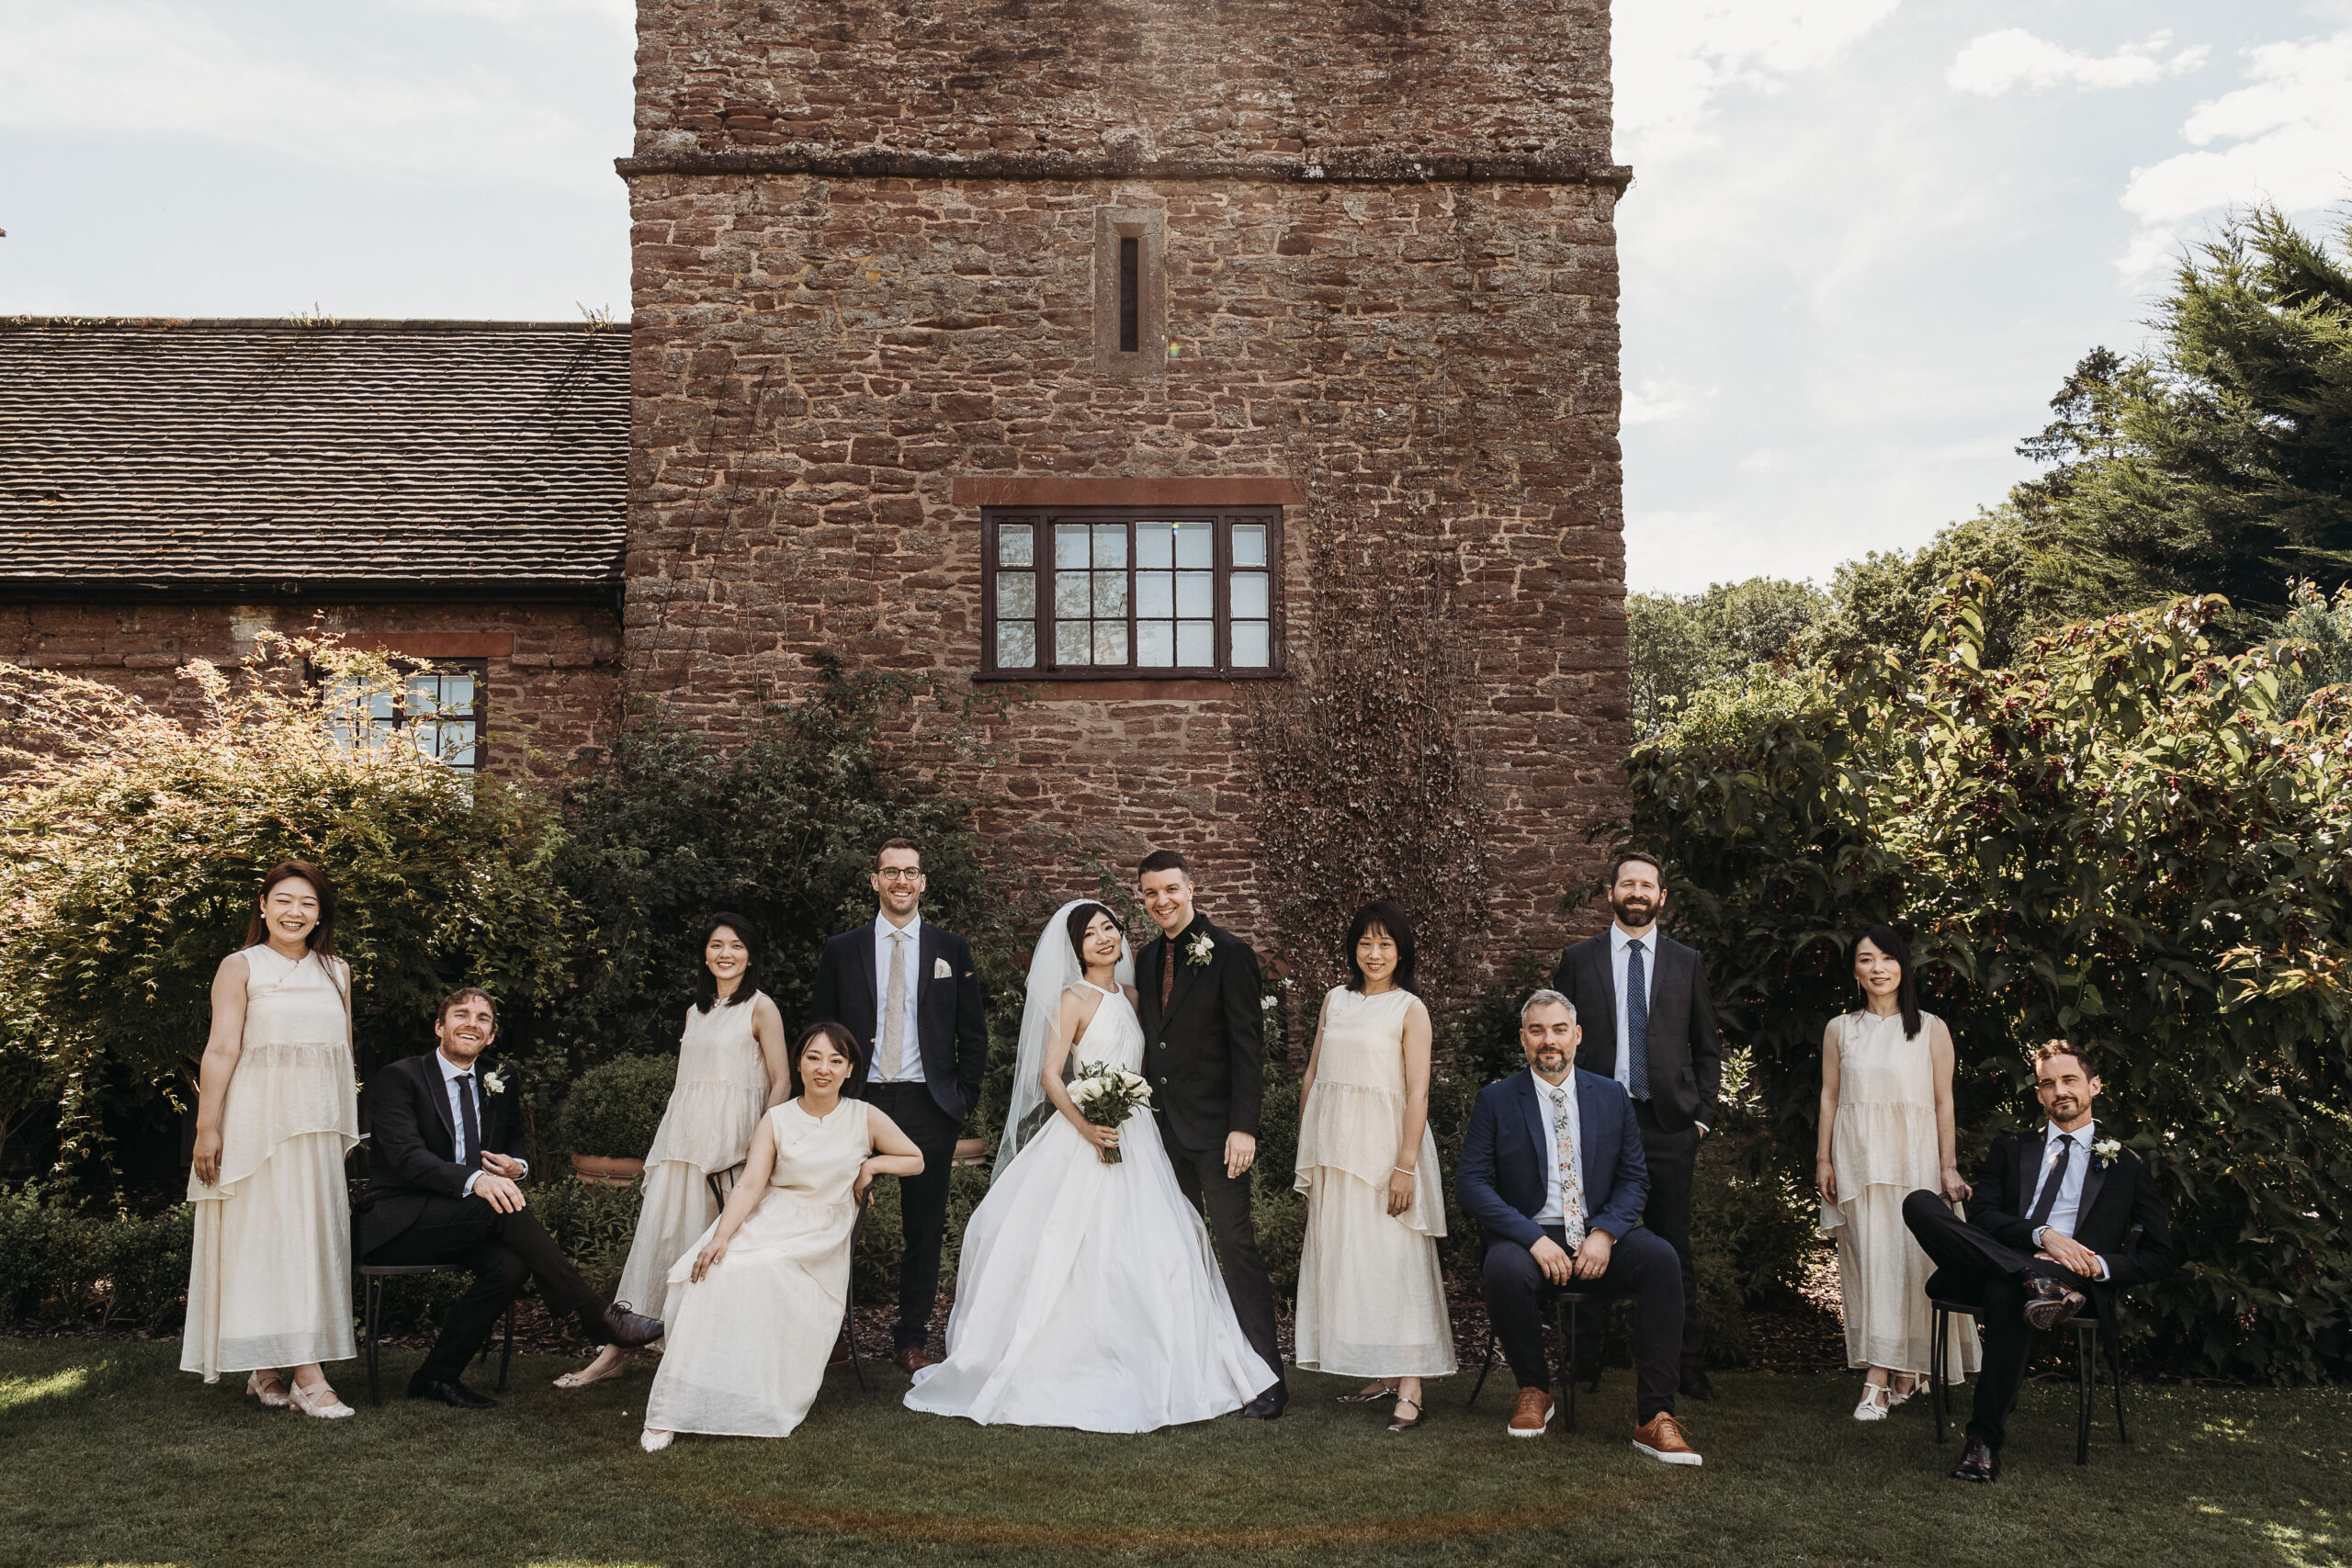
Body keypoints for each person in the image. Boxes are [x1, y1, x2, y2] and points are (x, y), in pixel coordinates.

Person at [903, 900, 1275, 1432]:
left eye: (1110, 928)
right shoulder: (1072, 999)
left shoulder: (1134, 996)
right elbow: (1052, 1075)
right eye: (1090, 934)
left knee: (1157, 1248)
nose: (1103, 939)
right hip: (1084, 1135)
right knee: (1074, 1249)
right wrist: (1086, 1126)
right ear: (1075, 948)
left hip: (1141, 1135)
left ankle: (1158, 1359)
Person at [353, 987, 663, 1408]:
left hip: (463, 1221)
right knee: (496, 1207)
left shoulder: (500, 1077)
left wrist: (517, 1167)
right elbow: (408, 1158)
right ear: (439, 1026)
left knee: (510, 1265)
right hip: (398, 1222)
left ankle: (436, 1376)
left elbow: (515, 1142)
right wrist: (476, 1181)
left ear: (492, 1035)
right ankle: (598, 1315)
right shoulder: (400, 1077)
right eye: (461, 1014)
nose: (472, 1023)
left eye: (483, 1018)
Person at [639, 1023, 924, 1450]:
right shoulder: (777, 1118)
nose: (823, 1068)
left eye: (835, 1060)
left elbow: (915, 1159)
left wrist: (872, 1167)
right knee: (717, 1268)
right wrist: (719, 1237)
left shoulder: (864, 1116)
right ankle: (674, 1405)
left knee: (766, 1266)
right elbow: (751, 1185)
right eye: (813, 1057)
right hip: (771, 1216)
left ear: (849, 1070)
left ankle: (758, 1397)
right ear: (798, 1062)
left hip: (823, 1227)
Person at [1903, 1040, 2177, 1483]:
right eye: (2048, 1083)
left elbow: (2160, 1255)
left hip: (2066, 1278)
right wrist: (2041, 1235)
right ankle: (2028, 1277)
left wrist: (2095, 1265)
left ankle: (1983, 1441)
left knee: (2005, 1293)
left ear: (2094, 1085)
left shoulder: (2127, 1164)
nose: (2059, 1090)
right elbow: (1984, 1215)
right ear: (2039, 1095)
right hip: (2008, 1259)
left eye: (2069, 1080)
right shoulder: (2012, 1148)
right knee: (1918, 1203)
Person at [1456, 989, 1702, 1465]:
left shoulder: (1611, 1096)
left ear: (1577, 1036)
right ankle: (1534, 1389)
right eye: (1537, 1030)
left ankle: (1654, 1417)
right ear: (1523, 1039)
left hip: (1598, 1234)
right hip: (1530, 1235)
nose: (1549, 1041)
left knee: (1661, 1260)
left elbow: (1634, 1178)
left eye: (1558, 1029)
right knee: (1502, 1268)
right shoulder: (1497, 1099)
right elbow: (1472, 1185)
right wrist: (1531, 1237)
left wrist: (1607, 1233)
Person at [558, 913, 788, 1389]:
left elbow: (781, 1080)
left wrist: (761, 1146)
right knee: (659, 1241)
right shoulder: (695, 1011)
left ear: (751, 955)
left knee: (716, 1251)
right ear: (705, 954)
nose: (726, 953)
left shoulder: (762, 1008)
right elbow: (689, 1086)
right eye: (717, 945)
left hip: (733, 1147)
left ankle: (701, 1359)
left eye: (737, 946)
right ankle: (615, 1351)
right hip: (684, 1142)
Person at [181, 860, 362, 1417]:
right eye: (284, 900)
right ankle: (307, 1375)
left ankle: (266, 1371)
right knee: (260, 1241)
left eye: (308, 903)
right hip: (254, 1127)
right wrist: (207, 1127)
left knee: (305, 1246)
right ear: (263, 906)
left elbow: (343, 1054)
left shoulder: (337, 971)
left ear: (320, 914)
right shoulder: (240, 966)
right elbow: (221, 1050)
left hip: (313, 1134)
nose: (295, 912)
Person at [808, 839, 989, 1374]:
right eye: (891, 872)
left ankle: (910, 1338)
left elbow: (973, 1036)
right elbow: (821, 1029)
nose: (901, 881)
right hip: (857, 1102)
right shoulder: (843, 949)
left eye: (910, 873)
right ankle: (828, 1332)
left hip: (927, 1103)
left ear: (923, 882)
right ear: (875, 881)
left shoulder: (949, 949)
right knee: (831, 1219)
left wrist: (959, 1103)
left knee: (924, 1227)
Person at [1551, 850, 1724, 1398]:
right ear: (1611, 893)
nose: (1637, 893)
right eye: (1627, 884)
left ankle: (1684, 1366)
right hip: (1597, 1123)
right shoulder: (1578, 961)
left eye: (1647, 885)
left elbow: (1708, 1048)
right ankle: (1584, 1361)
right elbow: (1555, 1041)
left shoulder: (1685, 961)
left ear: (1662, 896)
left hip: (1669, 1124)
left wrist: (1702, 1118)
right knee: (1588, 1240)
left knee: (1673, 1247)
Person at [1292, 899, 1454, 1432]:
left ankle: (1411, 1384)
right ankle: (1382, 1373)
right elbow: (1314, 1075)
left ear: (1401, 951)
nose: (1375, 953)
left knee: (1396, 1260)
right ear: (1353, 948)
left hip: (1387, 1150)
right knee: (1353, 1259)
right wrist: (1310, 1145)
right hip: (1337, 1150)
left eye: (1385, 944)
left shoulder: (1410, 1008)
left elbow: (1418, 1092)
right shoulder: (1334, 1000)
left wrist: (1405, 1166)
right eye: (1366, 942)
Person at [1816, 924, 1978, 1419]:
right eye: (1867, 959)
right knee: (1871, 1263)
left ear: (1903, 966)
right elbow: (1830, 1096)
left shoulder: (1931, 1028)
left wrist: (1947, 1167)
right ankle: (1881, 1376)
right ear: (1855, 971)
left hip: (1916, 1161)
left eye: (1887, 958)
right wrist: (1823, 1158)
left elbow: (1943, 1099)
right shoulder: (1840, 1028)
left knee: (1913, 1262)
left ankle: (1901, 1372)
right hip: (1860, 1160)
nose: (1878, 968)